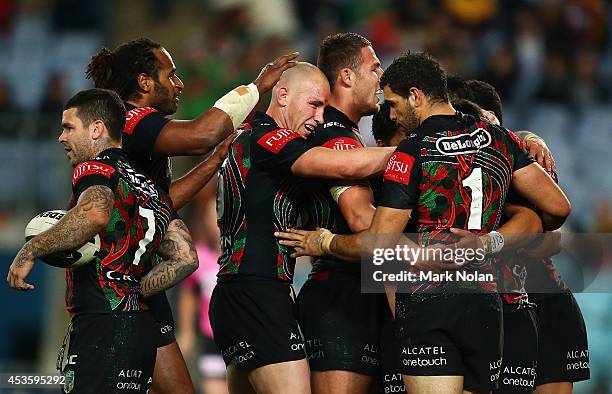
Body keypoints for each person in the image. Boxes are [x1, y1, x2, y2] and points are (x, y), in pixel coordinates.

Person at [276, 52, 572, 394]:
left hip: (428, 301)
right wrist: (489, 242)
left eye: (394, 103)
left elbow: (379, 243)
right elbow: (556, 209)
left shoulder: (411, 151)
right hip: (486, 302)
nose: (390, 113)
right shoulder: (500, 140)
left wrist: (323, 243)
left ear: (416, 96)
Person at [86, 37, 298, 394]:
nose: (179, 83)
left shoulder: (138, 133)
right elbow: (202, 134)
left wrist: (214, 161)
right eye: (171, 74)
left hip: (136, 285)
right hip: (111, 287)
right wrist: (257, 88)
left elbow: (161, 202)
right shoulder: (131, 119)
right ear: (144, 83)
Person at [211, 62, 393, 394]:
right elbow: (343, 165)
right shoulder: (269, 137)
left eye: (325, 107)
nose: (320, 118)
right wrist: (417, 150)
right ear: (282, 95)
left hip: (237, 293)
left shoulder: (248, 136)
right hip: (259, 293)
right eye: (314, 104)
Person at [7, 88, 198, 393]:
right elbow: (186, 257)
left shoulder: (95, 167)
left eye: (69, 127)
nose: (61, 137)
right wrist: (135, 291)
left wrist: (31, 249)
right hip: (139, 332)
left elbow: (95, 213)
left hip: (102, 323)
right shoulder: (148, 186)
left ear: (96, 129)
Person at [458, 78, 590, 394]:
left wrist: (490, 243)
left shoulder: (523, 159)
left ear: (486, 117)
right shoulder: (458, 164)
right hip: (499, 303)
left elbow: (554, 238)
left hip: (541, 298)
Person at [295, 32, 386, 394]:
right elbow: (364, 221)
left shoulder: (346, 133)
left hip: (349, 295)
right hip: (340, 297)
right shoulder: (335, 135)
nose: (381, 76)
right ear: (347, 77)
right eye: (374, 66)